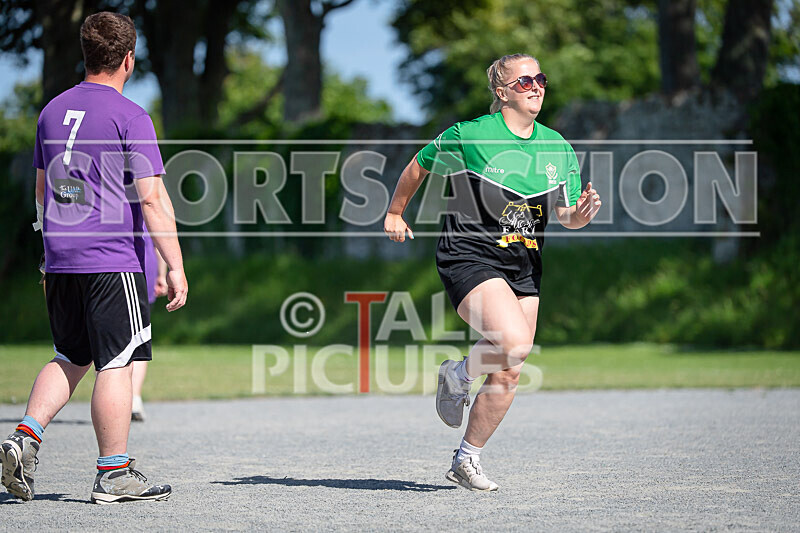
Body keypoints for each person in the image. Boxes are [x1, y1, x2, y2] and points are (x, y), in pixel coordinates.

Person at [384, 53, 602, 491]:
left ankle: (467, 457)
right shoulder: (469, 135)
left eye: (540, 77)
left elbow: (564, 214)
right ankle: (459, 374)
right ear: (502, 92)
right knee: (514, 342)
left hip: (524, 263)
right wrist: (394, 212)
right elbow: (419, 164)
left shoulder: (558, 146)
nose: (536, 86)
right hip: (469, 255)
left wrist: (580, 216)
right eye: (524, 81)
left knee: (510, 366)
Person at [0, 12, 187, 504]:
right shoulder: (131, 115)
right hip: (112, 259)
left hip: (61, 258)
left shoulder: (50, 112)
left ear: (86, 56)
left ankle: (24, 440)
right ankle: (114, 473)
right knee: (117, 362)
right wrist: (175, 264)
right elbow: (152, 199)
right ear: (129, 59)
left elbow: (43, 194)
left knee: (70, 356)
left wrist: (51, 252)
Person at [131, 235, 168, 422]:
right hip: (144, 269)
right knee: (139, 338)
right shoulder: (147, 205)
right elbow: (161, 237)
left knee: (108, 342)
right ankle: (134, 399)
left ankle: (120, 399)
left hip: (114, 269)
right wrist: (162, 274)